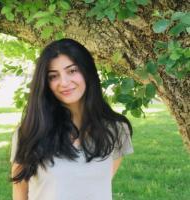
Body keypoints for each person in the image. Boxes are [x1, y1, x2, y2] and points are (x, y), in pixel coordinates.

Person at [10, 38, 134, 200]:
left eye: (72, 71)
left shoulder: (116, 129)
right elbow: (20, 191)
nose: (64, 82)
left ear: (87, 72)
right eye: (53, 76)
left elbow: (98, 185)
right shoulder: (30, 131)